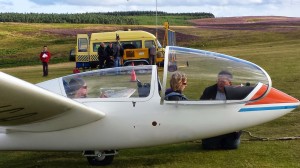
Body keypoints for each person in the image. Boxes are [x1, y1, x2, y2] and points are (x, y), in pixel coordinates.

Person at [200, 70, 242, 150]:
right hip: (213, 125)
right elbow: (201, 107)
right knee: (209, 146)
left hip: (230, 126)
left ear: (230, 82)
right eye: (219, 80)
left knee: (232, 146)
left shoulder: (236, 92)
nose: (220, 83)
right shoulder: (209, 91)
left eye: (223, 81)